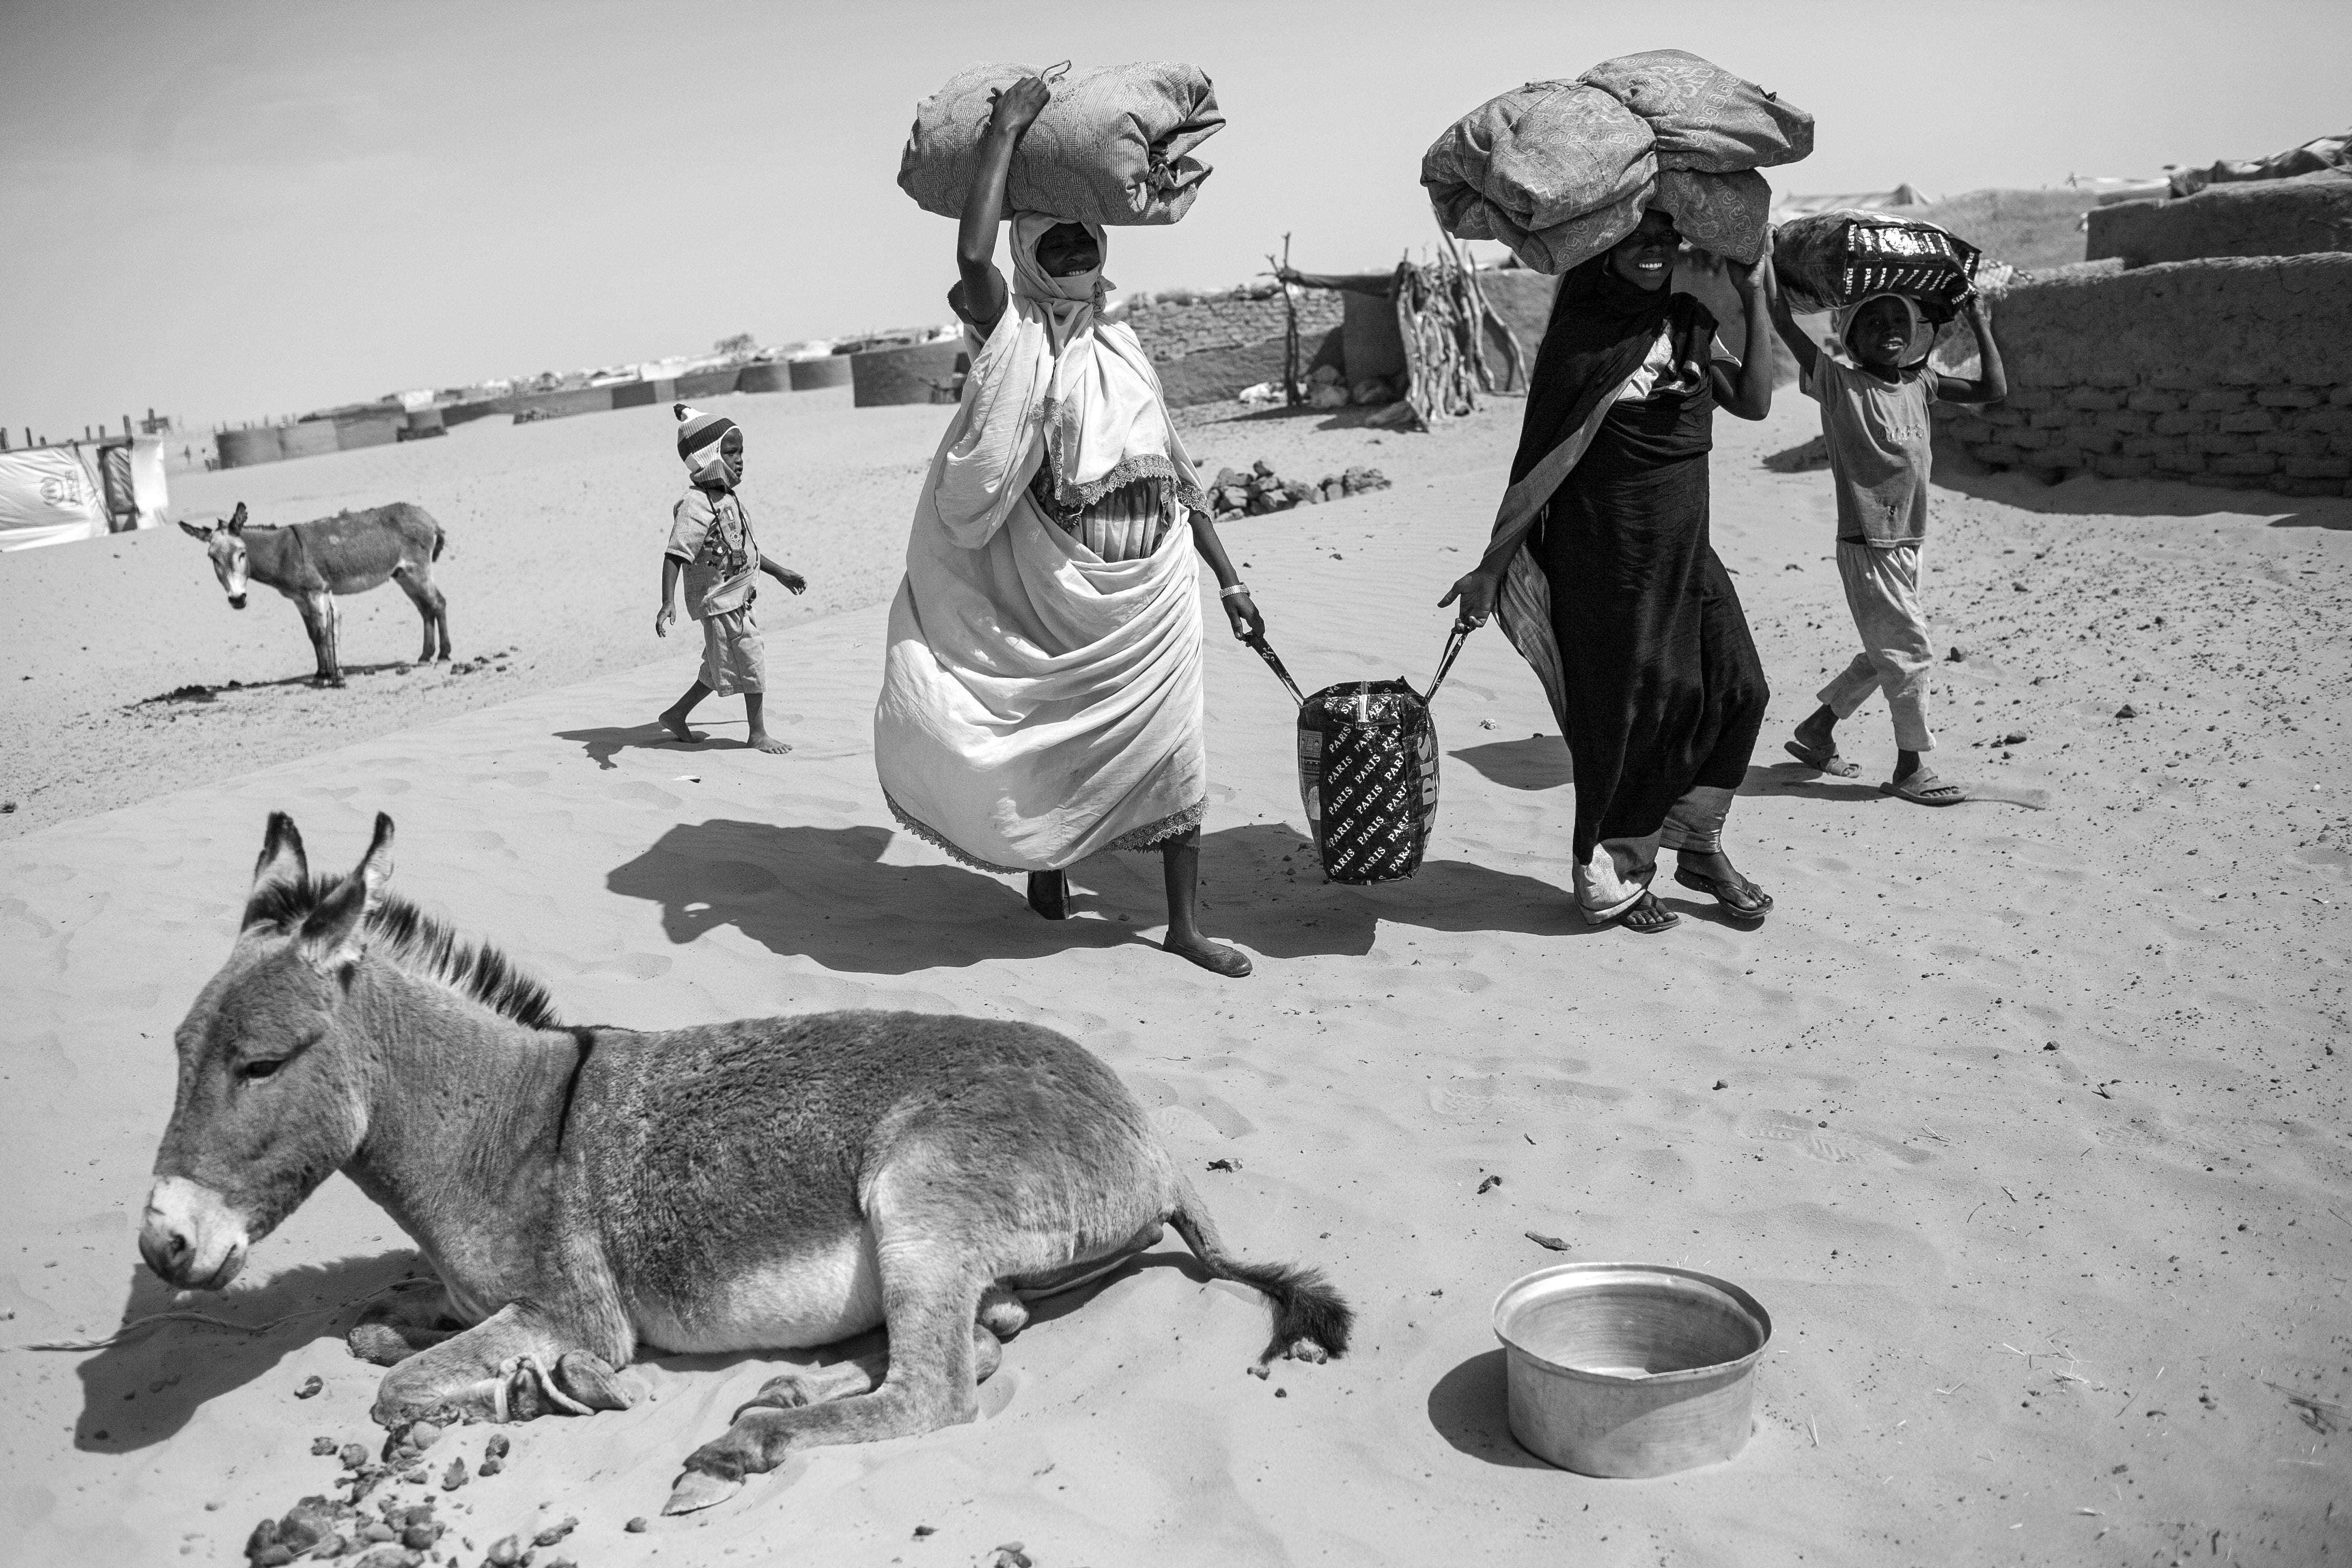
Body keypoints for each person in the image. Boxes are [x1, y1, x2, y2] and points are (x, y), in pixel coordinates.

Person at [873, 73, 1263, 977]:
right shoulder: (1011, 338)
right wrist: (1002, 136)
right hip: (1060, 600)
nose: (1079, 250)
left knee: (1175, 749)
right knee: (1056, 747)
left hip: (1153, 594)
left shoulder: (1121, 344)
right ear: (1029, 252)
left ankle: (1182, 924)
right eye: (1058, 240)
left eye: (1086, 237)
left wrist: (1231, 579)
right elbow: (972, 263)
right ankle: (1046, 870)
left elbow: (1175, 470)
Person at [1441, 211, 1776, 933]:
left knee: (1741, 689)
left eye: (1667, 237)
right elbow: (1541, 464)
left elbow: (1753, 402)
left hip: (1686, 549)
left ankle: (1697, 842)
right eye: (1639, 237)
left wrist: (1753, 292)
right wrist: (1489, 569)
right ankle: (1614, 871)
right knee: (1632, 717)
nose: (1656, 249)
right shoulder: (1581, 339)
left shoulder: (1687, 320)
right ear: (1606, 248)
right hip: (1608, 559)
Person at [1765, 282, 2007, 804]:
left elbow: (1992, 390)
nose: (1889, 332)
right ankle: (1909, 767)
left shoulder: (1922, 383)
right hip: (1869, 543)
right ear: (1852, 337)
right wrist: (1762, 275)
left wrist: (1979, 321)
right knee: (1910, 651)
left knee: (1886, 650)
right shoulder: (1837, 383)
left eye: (1898, 321)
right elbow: (1784, 324)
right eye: (1873, 324)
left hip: (1909, 542)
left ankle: (1817, 729)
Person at [654, 404, 806, 753]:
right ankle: (758, 733)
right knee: (750, 656)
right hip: (720, 604)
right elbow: (675, 552)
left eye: (741, 452)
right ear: (709, 457)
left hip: (739, 600)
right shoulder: (695, 505)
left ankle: (677, 714)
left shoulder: (727, 498)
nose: (740, 460)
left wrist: (780, 572)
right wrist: (668, 602)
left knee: (716, 665)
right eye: (731, 452)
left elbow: (744, 548)